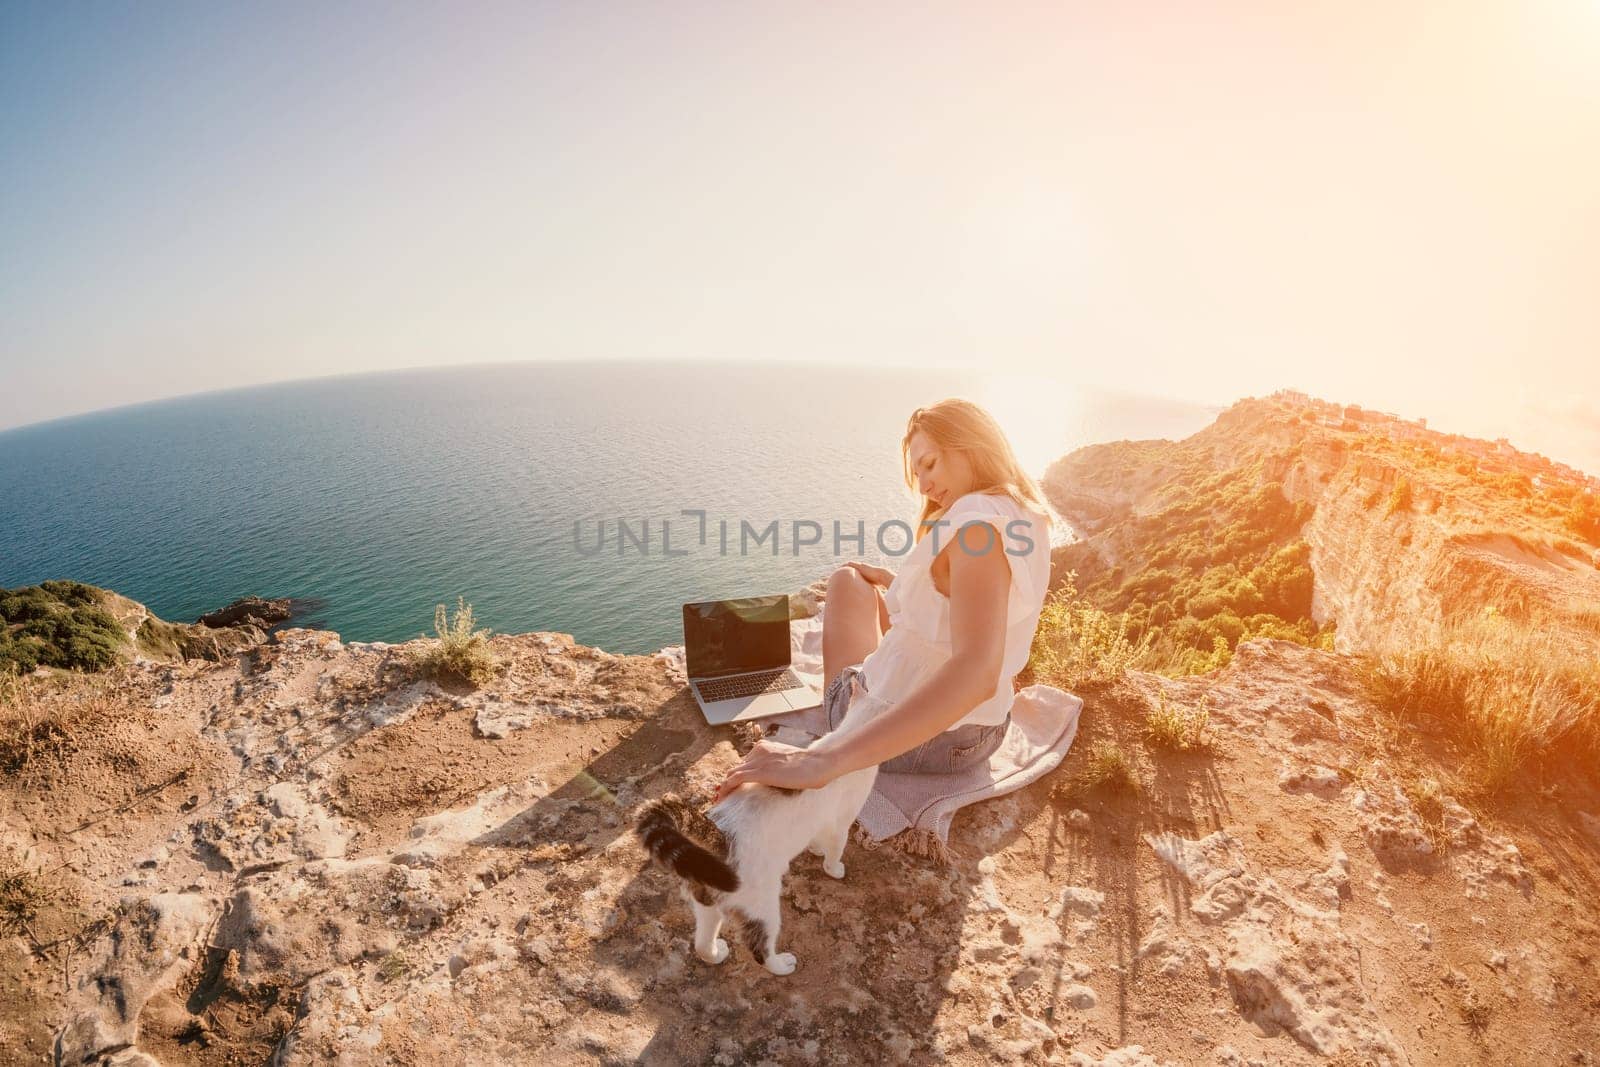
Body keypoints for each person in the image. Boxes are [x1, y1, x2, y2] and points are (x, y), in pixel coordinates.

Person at [712, 398, 1054, 802]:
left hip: (927, 739)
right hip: (984, 733)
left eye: (930, 464)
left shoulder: (975, 523)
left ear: (971, 444)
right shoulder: (1020, 512)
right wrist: (903, 587)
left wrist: (821, 760)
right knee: (871, 589)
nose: (924, 485)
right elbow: (978, 612)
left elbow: (976, 672)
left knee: (846, 581)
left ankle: (851, 702)